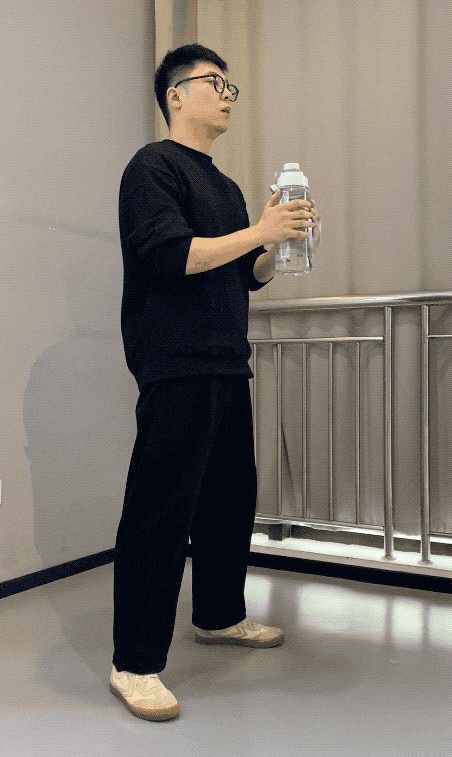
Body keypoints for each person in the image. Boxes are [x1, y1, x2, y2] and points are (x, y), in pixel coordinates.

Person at [109, 44, 317, 722]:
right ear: (176, 94)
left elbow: (242, 275)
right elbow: (172, 256)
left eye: (231, 86)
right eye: (214, 82)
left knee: (229, 501)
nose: (228, 94)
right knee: (160, 511)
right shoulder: (152, 167)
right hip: (174, 362)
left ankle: (220, 616)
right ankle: (134, 662)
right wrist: (258, 229)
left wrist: (272, 247)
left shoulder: (225, 188)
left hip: (226, 360)